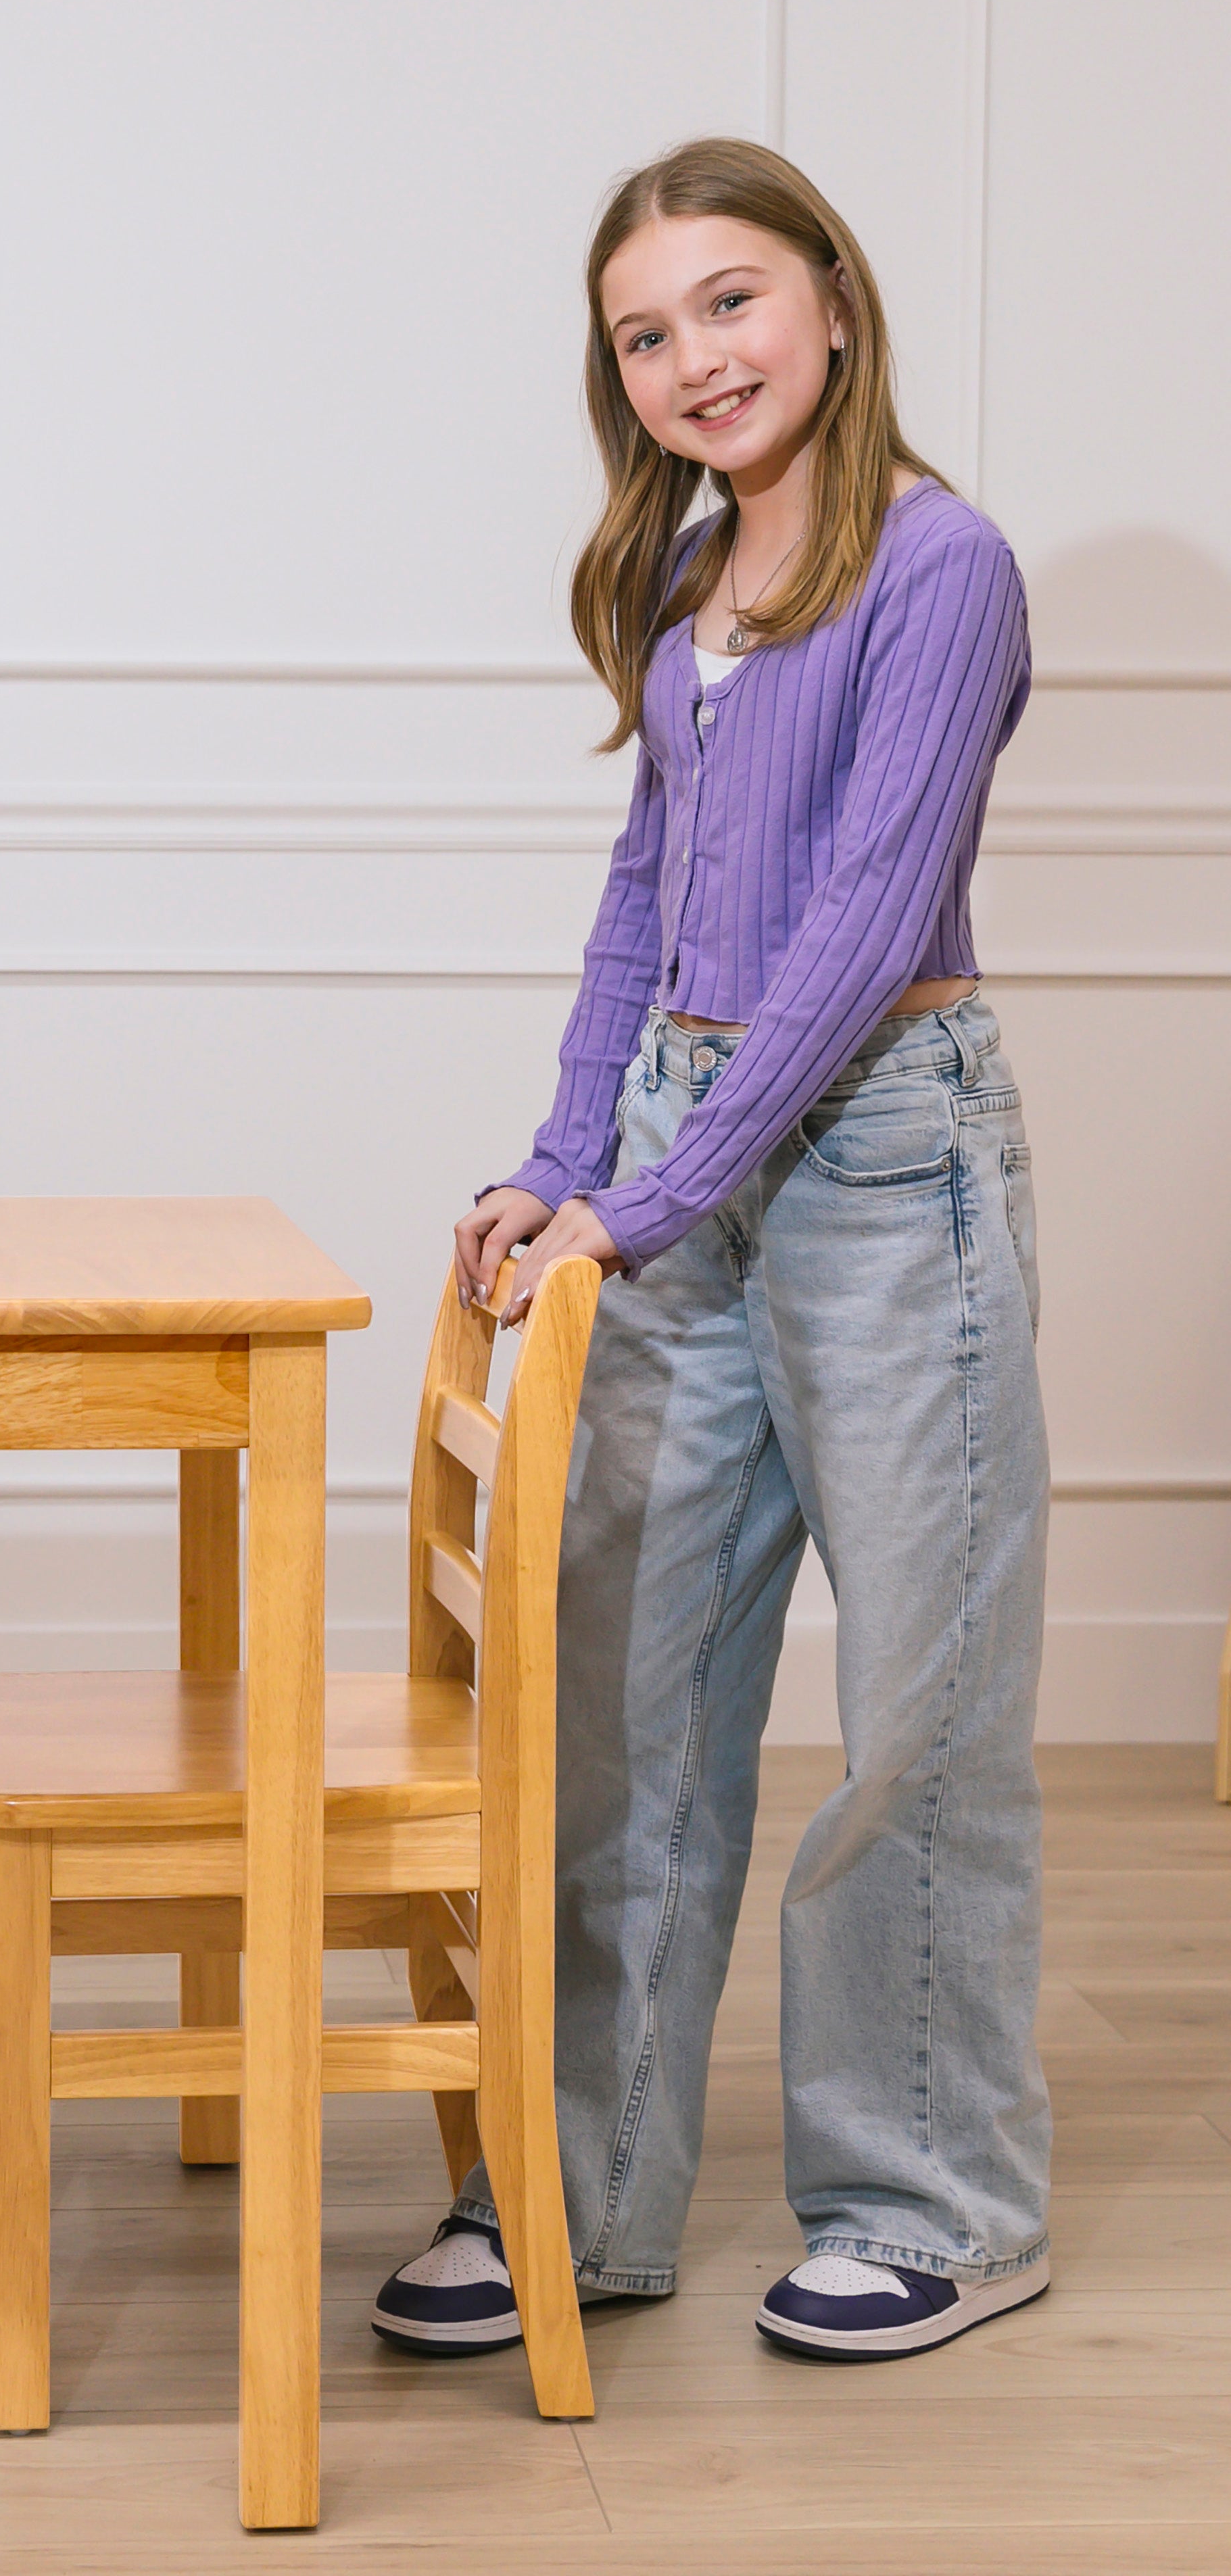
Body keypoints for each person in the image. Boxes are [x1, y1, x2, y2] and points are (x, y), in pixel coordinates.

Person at [371, 137, 1050, 2365]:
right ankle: (576, 2197)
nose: (693, 359)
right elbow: (647, 909)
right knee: (628, 1701)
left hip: (881, 1160)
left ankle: (934, 2203)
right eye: (646, 332)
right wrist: (574, 1155)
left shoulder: (942, 569)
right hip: (684, 1142)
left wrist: (641, 1208)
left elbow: (857, 935)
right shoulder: (680, 583)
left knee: (917, 1712)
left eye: (731, 304)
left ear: (834, 304)